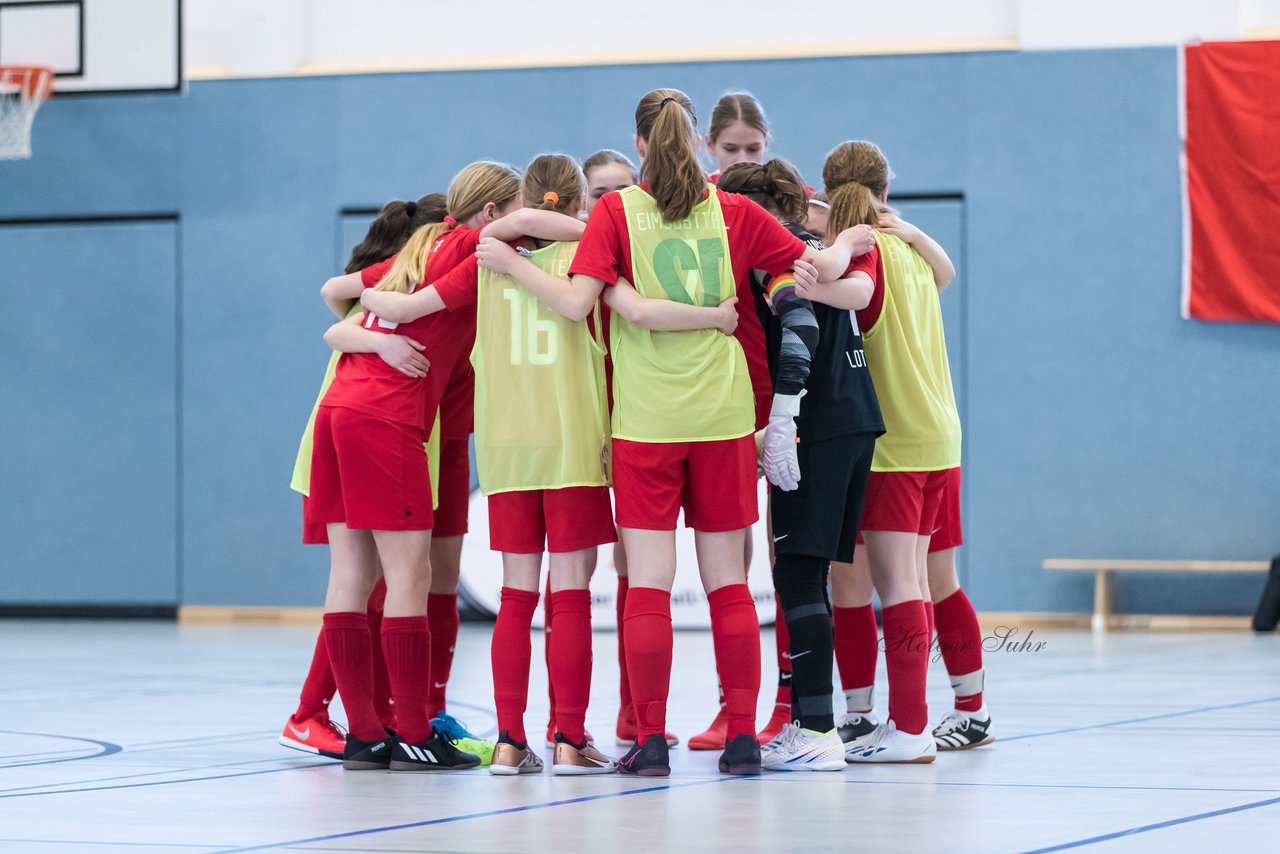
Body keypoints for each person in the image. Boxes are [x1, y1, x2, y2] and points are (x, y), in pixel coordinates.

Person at [477, 89, 872, 777]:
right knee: (728, 587)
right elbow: (799, 269)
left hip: (645, 423)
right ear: (696, 143)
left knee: (650, 586)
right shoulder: (733, 210)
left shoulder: (617, 214)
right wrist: (845, 247)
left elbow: (577, 301)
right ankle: (745, 740)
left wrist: (533, 268)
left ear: (638, 146)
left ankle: (651, 740)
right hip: (720, 420)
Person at [310, 160, 584, 771]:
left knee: (350, 576)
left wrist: (372, 329)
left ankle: (363, 735)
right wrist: (391, 325)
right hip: (388, 418)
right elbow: (581, 232)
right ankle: (410, 729)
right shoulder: (471, 249)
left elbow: (333, 292)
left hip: (338, 411)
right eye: (512, 212)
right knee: (408, 577)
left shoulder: (419, 244)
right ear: (491, 216)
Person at [717, 160, 884, 771]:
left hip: (816, 425)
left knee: (797, 575)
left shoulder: (770, 257)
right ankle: (819, 723)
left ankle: (814, 731)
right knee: (811, 576)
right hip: (857, 417)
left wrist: (782, 419)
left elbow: (802, 329)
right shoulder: (813, 245)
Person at [279, 195, 446, 761]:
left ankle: (369, 719)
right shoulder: (399, 295)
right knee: (374, 582)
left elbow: (337, 317)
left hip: (355, 438)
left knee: (371, 586)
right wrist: (379, 339)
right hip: (353, 440)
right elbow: (338, 324)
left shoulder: (384, 298)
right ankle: (311, 713)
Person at [820, 140, 960, 764]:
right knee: (898, 581)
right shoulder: (907, 248)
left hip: (893, 444)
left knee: (898, 582)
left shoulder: (866, 251)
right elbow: (948, 272)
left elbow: (845, 287)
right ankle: (887, 721)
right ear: (888, 190)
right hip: (938, 437)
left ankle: (909, 727)